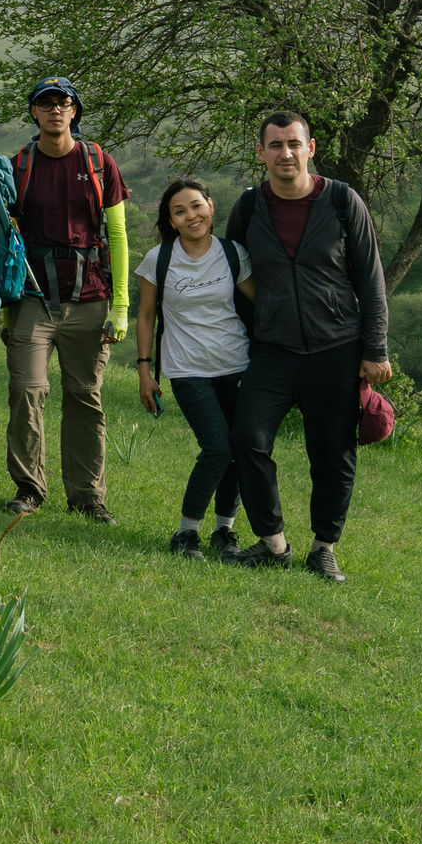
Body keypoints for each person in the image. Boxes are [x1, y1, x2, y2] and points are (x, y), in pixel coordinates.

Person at [219, 112, 392, 583]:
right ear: (261, 153)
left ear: (310, 147)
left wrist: (374, 349)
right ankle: (274, 544)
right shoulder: (249, 207)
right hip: (272, 350)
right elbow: (234, 277)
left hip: (337, 348)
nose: (285, 154)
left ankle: (323, 547)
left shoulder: (341, 201)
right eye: (274, 145)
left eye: (293, 144)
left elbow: (370, 280)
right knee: (247, 439)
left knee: (332, 453)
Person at [0, 77, 132, 521]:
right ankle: (29, 488)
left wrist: (121, 305)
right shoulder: (19, 166)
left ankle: (88, 497)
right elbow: (3, 237)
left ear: (74, 111)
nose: (55, 110)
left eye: (64, 103)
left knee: (84, 396)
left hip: (90, 298)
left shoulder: (98, 161)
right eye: (45, 103)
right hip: (34, 299)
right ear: (34, 113)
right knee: (26, 389)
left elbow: (117, 234)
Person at [134, 176, 256, 560]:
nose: (191, 216)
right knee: (217, 448)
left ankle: (225, 532)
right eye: (179, 211)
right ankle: (186, 533)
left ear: (211, 206)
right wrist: (144, 370)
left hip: (237, 366)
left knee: (238, 448)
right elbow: (147, 314)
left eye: (196, 206)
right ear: (171, 221)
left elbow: (263, 304)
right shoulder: (160, 259)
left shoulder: (234, 253)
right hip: (187, 369)